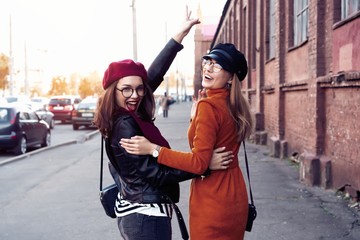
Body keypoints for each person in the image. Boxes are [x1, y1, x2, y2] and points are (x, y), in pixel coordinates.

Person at [93, 11, 233, 240]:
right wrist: (205, 165)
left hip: (138, 212)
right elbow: (155, 174)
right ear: (113, 91)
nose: (135, 95)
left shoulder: (119, 112)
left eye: (139, 89)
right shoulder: (125, 124)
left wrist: (178, 37)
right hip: (145, 218)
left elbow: (153, 76)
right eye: (126, 89)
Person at [120, 43, 254, 240]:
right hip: (235, 193)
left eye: (217, 66)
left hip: (213, 197)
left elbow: (198, 164)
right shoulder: (233, 105)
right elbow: (218, 139)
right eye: (208, 61)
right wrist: (195, 118)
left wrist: (154, 149)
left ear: (231, 78)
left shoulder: (208, 107)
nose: (208, 68)